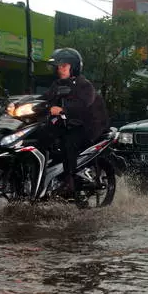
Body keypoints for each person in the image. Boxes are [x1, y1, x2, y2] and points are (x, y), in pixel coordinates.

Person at [43, 47, 105, 196]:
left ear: (74, 67)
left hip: (87, 126)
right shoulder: (57, 85)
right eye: (58, 66)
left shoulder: (84, 85)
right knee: (42, 135)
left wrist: (63, 110)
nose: (60, 69)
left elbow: (83, 104)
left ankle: (69, 181)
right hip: (66, 124)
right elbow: (44, 99)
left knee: (68, 141)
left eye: (64, 66)